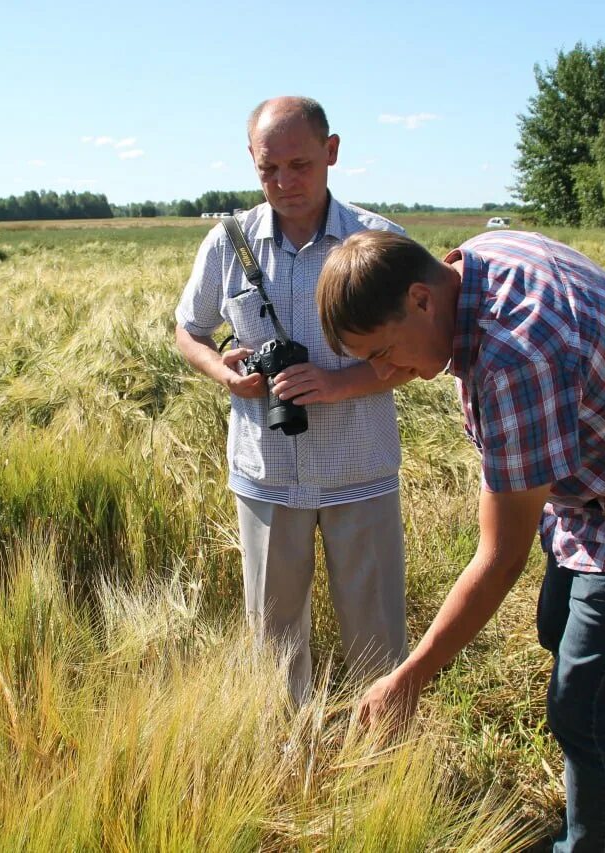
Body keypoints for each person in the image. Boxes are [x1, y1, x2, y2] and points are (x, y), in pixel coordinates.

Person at [315, 228, 605, 853]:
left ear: (422, 299)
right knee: (558, 630)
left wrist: (408, 679)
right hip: (589, 486)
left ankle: (593, 830)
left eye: (384, 351)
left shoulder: (517, 359)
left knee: (580, 708)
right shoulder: (476, 259)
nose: (384, 373)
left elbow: (501, 557)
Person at [174, 97, 413, 704]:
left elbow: (420, 352)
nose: (284, 182)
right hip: (266, 475)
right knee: (273, 640)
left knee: (377, 638)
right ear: (252, 164)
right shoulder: (229, 243)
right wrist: (222, 372)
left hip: (359, 470)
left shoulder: (379, 241)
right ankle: (286, 756)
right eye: (268, 169)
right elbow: (188, 330)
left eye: (300, 164)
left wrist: (337, 384)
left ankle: (386, 762)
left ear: (331, 153)